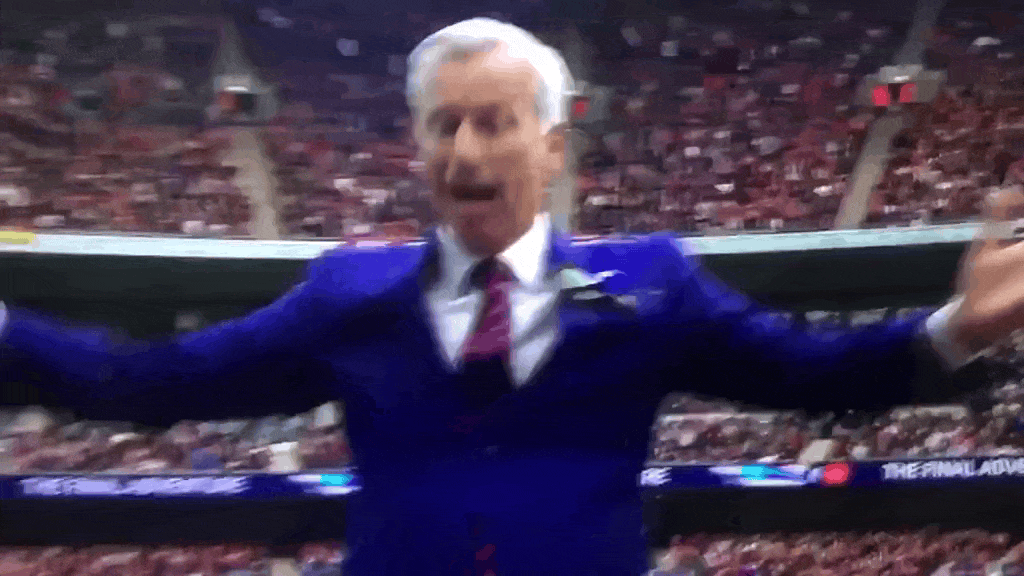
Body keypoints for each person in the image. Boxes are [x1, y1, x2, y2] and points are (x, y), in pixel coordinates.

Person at [1, 17, 1024, 576]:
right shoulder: (348, 294)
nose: (466, 151)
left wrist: (958, 328)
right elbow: (154, 380)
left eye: (494, 123)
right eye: (443, 125)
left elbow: (811, 372)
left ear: (551, 145)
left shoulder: (650, 284)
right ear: (415, 146)